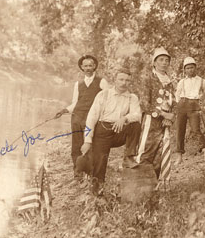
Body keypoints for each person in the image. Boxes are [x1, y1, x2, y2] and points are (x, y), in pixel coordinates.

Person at [75, 67, 141, 195]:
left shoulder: (132, 97)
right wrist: (87, 140)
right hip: (103, 130)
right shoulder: (103, 94)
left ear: (130, 82)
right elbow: (91, 117)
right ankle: (97, 191)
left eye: (127, 80)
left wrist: (125, 118)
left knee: (135, 125)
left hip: (119, 130)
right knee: (100, 160)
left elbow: (138, 115)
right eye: (121, 79)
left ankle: (129, 156)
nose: (123, 83)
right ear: (115, 80)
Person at [126, 47, 176, 183]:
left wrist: (170, 118)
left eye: (167, 60)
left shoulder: (170, 81)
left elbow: (174, 102)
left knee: (161, 153)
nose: (164, 63)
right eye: (161, 60)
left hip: (165, 123)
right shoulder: (148, 78)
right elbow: (144, 103)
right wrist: (163, 115)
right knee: (146, 151)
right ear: (154, 63)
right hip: (151, 120)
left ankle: (156, 187)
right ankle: (137, 186)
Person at [54, 55, 109, 175]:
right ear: (81, 67)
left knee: (91, 145)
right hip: (77, 117)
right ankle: (77, 172)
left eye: (90, 65)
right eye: (85, 66)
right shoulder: (78, 84)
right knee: (76, 145)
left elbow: (107, 101)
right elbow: (75, 103)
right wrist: (64, 111)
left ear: (94, 66)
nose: (88, 68)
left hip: (92, 118)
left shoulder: (102, 81)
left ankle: (91, 172)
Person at [174, 57, 205, 163]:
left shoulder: (202, 81)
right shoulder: (182, 82)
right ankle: (179, 156)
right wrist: (179, 103)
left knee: (196, 130)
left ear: (195, 68)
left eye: (192, 67)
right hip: (182, 105)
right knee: (179, 130)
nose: (190, 70)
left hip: (194, 106)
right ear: (184, 70)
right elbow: (176, 94)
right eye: (187, 68)